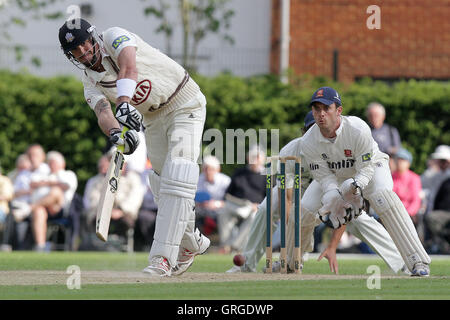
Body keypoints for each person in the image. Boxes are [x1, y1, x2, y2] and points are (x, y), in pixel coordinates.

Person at [59, 18, 209, 276]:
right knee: (164, 186)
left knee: (180, 174)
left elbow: (129, 67)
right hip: (153, 119)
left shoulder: (114, 36)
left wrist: (125, 102)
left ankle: (162, 260)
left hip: (185, 103)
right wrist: (117, 134)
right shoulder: (89, 81)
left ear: (92, 37)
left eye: (84, 43)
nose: (83, 52)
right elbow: (103, 112)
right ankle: (191, 243)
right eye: (76, 50)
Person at [227, 112, 407, 276]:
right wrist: (291, 248)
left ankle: (401, 262)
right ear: (304, 132)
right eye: (313, 129)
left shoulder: (339, 147)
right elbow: (287, 200)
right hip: (296, 193)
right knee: (267, 208)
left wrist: (332, 245)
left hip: (327, 191)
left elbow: (345, 200)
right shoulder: (290, 152)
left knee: (357, 218)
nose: (319, 132)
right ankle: (250, 263)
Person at [301, 87, 430, 276]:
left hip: (371, 167)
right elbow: (324, 176)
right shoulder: (308, 141)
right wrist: (332, 195)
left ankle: (418, 260)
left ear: (338, 111)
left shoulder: (357, 128)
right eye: (316, 109)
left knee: (382, 198)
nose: (321, 114)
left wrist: (356, 187)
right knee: (306, 207)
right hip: (339, 176)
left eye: (326, 108)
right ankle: (292, 260)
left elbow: (366, 167)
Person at [218, 147, 266, 253]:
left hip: (255, 207)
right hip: (237, 205)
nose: (255, 160)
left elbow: (269, 196)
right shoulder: (239, 173)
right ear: (248, 158)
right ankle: (225, 246)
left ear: (262, 159)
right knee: (223, 211)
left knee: (255, 216)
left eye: (257, 157)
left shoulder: (267, 175)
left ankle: (235, 246)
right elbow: (228, 192)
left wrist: (259, 205)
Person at [29, 151, 78, 251]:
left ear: (62, 164)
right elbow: (32, 184)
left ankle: (29, 208)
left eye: (54, 162)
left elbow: (66, 186)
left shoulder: (68, 174)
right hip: (44, 208)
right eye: (50, 163)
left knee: (55, 191)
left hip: (61, 209)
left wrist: (49, 183)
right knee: (38, 211)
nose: (51, 165)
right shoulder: (45, 175)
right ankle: (40, 246)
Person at [195, 155, 231, 237]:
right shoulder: (197, 180)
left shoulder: (226, 181)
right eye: (205, 169)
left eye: (211, 169)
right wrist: (201, 204)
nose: (208, 172)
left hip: (220, 210)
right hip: (200, 210)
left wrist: (216, 204)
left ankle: (225, 245)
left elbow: (231, 201)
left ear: (218, 169)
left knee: (225, 215)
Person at [392, 148, 422, 226]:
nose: (399, 162)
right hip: (392, 213)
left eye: (402, 160)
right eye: (398, 159)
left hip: (408, 214)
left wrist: (406, 215)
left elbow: (416, 201)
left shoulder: (414, 178)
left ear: (408, 163)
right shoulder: (391, 177)